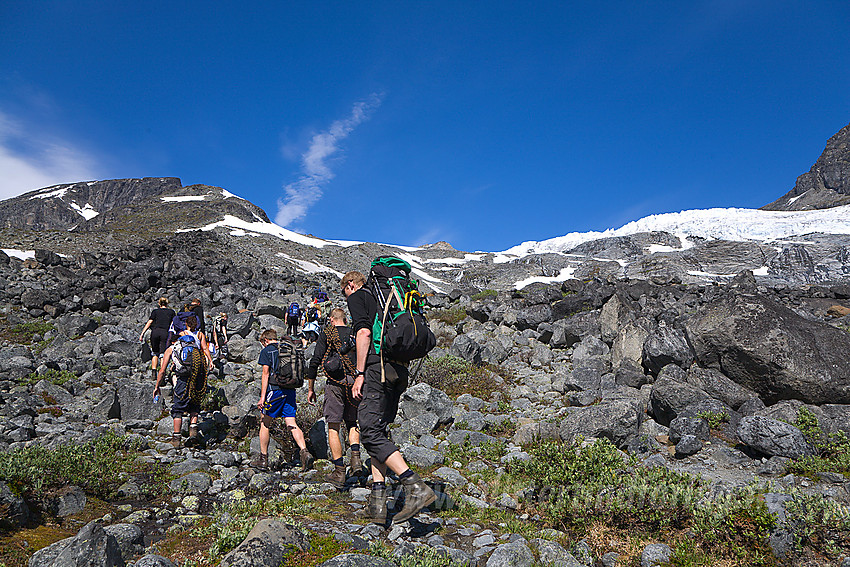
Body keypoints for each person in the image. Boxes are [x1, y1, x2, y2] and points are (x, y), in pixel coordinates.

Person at [342, 271, 436, 524]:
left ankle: (415, 487)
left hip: (376, 369)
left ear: (350, 284)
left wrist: (360, 373)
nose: (346, 296)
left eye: (344, 291)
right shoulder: (387, 298)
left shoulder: (360, 296)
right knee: (379, 433)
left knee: (369, 431)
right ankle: (378, 503)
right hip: (399, 370)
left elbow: (363, 334)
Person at [306, 308, 363, 489]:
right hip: (354, 383)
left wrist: (311, 388)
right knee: (352, 421)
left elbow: (315, 360)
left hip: (335, 384)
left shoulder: (327, 333)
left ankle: (339, 471)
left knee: (333, 425)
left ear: (331, 319)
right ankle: (356, 461)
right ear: (345, 319)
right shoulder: (356, 333)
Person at [252, 328, 313, 472]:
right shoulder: (286, 349)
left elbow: (265, 374)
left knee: (265, 422)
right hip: (290, 390)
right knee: (291, 422)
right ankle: (304, 452)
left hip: (275, 391)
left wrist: (262, 397)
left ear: (265, 340)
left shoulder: (267, 351)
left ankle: (263, 459)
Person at [153, 315, 213, 448]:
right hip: (197, 376)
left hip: (182, 378)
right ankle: (193, 435)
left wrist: (157, 386)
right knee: (195, 403)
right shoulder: (196, 347)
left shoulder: (172, 348)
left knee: (178, 407)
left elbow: (162, 371)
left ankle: (176, 439)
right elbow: (205, 350)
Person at [139, 297, 175, 380]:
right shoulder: (171, 312)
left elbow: (150, 322)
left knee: (155, 353)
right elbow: (173, 324)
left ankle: (154, 373)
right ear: (167, 303)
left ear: (159, 303)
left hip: (155, 332)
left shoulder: (155, 311)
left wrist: (142, 333)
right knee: (163, 354)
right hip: (165, 333)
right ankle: (162, 375)